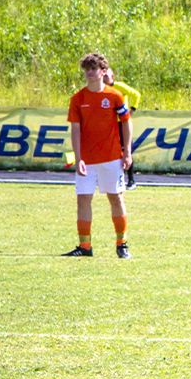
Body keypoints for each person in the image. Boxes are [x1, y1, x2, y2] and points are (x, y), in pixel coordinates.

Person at [62, 53, 132, 259]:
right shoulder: (77, 99)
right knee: (83, 199)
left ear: (103, 71)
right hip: (87, 160)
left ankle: (122, 244)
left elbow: (126, 122)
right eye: (87, 69)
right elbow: (75, 130)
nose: (90, 73)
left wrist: (127, 152)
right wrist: (78, 158)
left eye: (94, 68)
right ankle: (85, 246)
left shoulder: (115, 96)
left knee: (116, 198)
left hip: (112, 158)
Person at [104, 66, 142, 190]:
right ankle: (112, 179)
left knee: (126, 150)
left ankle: (131, 180)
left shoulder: (119, 86)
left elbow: (136, 95)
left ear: (112, 77)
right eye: (103, 76)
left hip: (121, 123)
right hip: (110, 125)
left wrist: (132, 109)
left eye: (107, 76)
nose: (104, 78)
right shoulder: (101, 89)